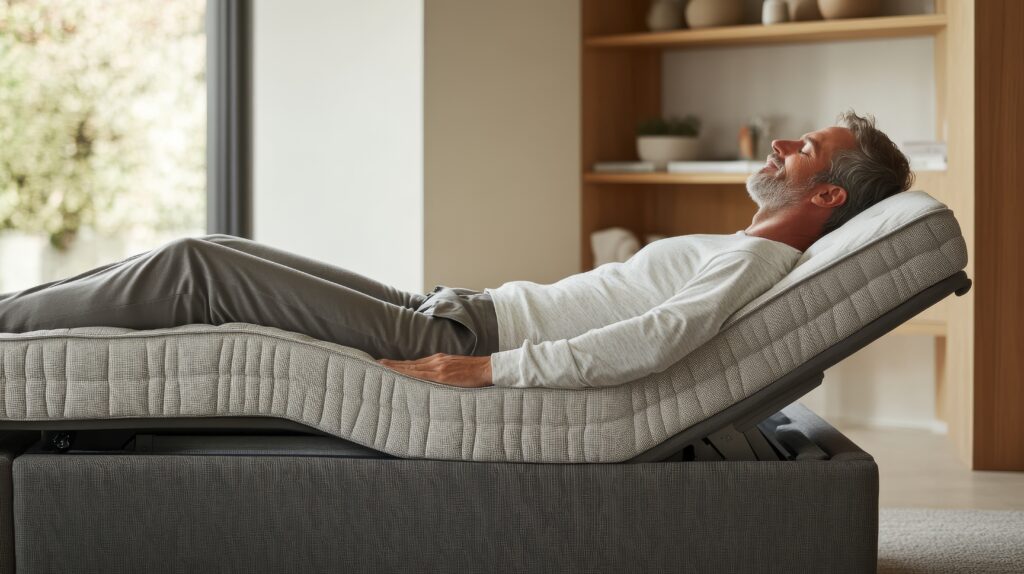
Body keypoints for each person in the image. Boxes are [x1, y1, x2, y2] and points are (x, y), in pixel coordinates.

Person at [0, 111, 912, 390]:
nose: (781, 148)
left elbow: (658, 342)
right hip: (454, 304)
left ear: (827, 195)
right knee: (218, 250)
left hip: (466, 330)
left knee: (197, 265)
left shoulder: (754, 264)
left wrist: (490, 373)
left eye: (805, 150)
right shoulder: (743, 248)